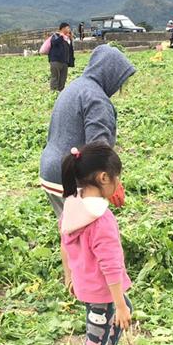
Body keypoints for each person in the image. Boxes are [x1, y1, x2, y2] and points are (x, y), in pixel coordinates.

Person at [59, 143, 132, 345]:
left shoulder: (73, 204)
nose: (118, 183)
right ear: (103, 177)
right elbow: (110, 266)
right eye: (117, 178)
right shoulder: (101, 220)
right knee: (96, 340)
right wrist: (119, 304)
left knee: (108, 324)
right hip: (102, 290)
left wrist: (68, 277)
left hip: (86, 283)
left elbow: (64, 244)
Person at [39, 44, 136, 216]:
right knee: (90, 234)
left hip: (50, 171)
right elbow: (98, 149)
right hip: (69, 178)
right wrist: (112, 181)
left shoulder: (75, 87)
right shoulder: (97, 99)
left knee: (71, 231)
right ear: (111, 74)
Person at [46, 22, 76, 92]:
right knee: (55, 78)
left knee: (63, 79)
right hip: (55, 61)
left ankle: (60, 92)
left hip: (64, 62)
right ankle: (53, 93)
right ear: (63, 28)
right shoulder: (56, 35)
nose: (69, 29)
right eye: (68, 28)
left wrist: (70, 39)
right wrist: (62, 36)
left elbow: (70, 51)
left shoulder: (68, 38)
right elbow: (54, 42)